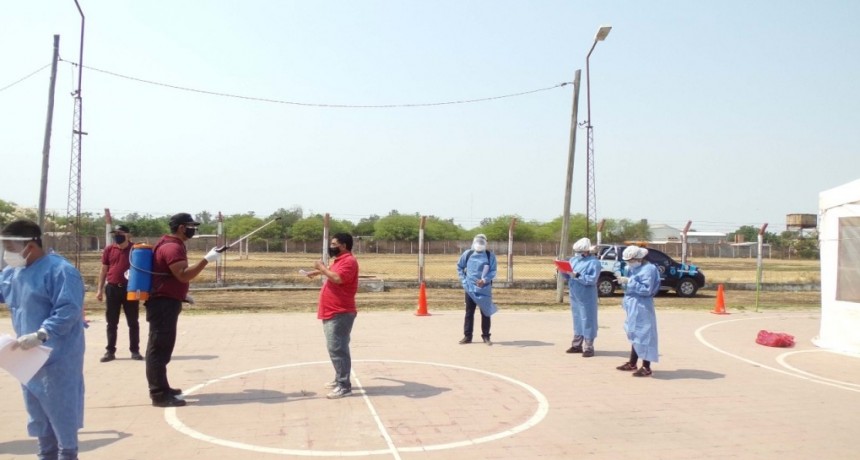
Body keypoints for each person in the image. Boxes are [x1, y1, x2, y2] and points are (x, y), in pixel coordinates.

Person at [0, 219, 86, 460]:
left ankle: (68, 454)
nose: (7, 253)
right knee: (39, 416)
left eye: (11, 247)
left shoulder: (61, 271)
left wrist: (41, 334)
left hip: (58, 357)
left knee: (62, 415)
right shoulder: (13, 272)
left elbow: (68, 310)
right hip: (28, 359)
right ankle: (45, 454)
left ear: (31, 245)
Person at [145, 213, 222, 407]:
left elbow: (169, 277)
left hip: (167, 301)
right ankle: (159, 394)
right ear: (181, 227)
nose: (193, 229)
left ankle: (163, 387)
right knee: (159, 349)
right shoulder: (172, 247)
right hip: (163, 305)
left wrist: (182, 295)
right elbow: (183, 275)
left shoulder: (169, 243)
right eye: (191, 226)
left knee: (163, 348)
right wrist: (206, 260)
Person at [304, 232, 359, 399]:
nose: (331, 247)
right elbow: (333, 273)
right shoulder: (339, 261)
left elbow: (337, 278)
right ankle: (339, 379)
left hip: (340, 312)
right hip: (332, 310)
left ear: (343, 245)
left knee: (338, 348)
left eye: (334, 244)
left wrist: (321, 268)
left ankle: (344, 385)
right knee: (335, 347)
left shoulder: (349, 261)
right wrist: (318, 273)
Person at [96, 224, 142, 362]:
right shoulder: (110, 249)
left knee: (133, 322)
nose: (117, 236)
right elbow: (103, 270)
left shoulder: (135, 249)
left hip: (130, 289)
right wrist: (99, 290)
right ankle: (110, 351)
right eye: (115, 233)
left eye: (120, 233)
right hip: (112, 288)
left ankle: (135, 351)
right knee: (111, 322)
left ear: (128, 235)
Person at [615, 245, 661, 377]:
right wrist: (622, 280)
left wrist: (630, 282)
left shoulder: (649, 269)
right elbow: (629, 286)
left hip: (642, 305)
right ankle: (632, 363)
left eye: (630, 260)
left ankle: (646, 367)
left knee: (644, 335)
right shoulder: (632, 268)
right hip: (632, 304)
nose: (629, 263)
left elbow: (646, 290)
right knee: (634, 333)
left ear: (638, 258)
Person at [562, 237, 602, 357]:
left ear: (586, 251)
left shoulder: (594, 262)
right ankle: (577, 345)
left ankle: (589, 347)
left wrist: (577, 275)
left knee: (588, 319)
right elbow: (569, 276)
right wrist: (563, 271)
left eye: (580, 252)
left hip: (587, 295)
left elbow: (592, 280)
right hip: (575, 294)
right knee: (577, 319)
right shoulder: (574, 260)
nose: (577, 254)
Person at [456, 234, 498, 345]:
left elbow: (493, 271)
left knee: (485, 312)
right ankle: (467, 336)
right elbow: (459, 267)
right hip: (469, 288)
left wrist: (484, 280)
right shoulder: (468, 254)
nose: (479, 244)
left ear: (486, 243)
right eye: (477, 242)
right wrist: (464, 281)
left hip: (484, 288)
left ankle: (486, 336)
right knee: (469, 312)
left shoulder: (490, 256)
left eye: (482, 242)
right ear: (474, 242)